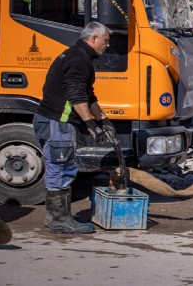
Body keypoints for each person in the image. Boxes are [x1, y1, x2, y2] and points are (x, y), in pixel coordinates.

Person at [33, 22, 117, 234]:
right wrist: (90, 123)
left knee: (61, 167)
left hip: (51, 121)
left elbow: (89, 95)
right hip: (58, 123)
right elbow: (76, 94)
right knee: (61, 168)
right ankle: (59, 220)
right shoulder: (79, 59)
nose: (107, 45)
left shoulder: (77, 55)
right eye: (106, 41)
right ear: (94, 39)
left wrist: (103, 120)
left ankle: (56, 217)